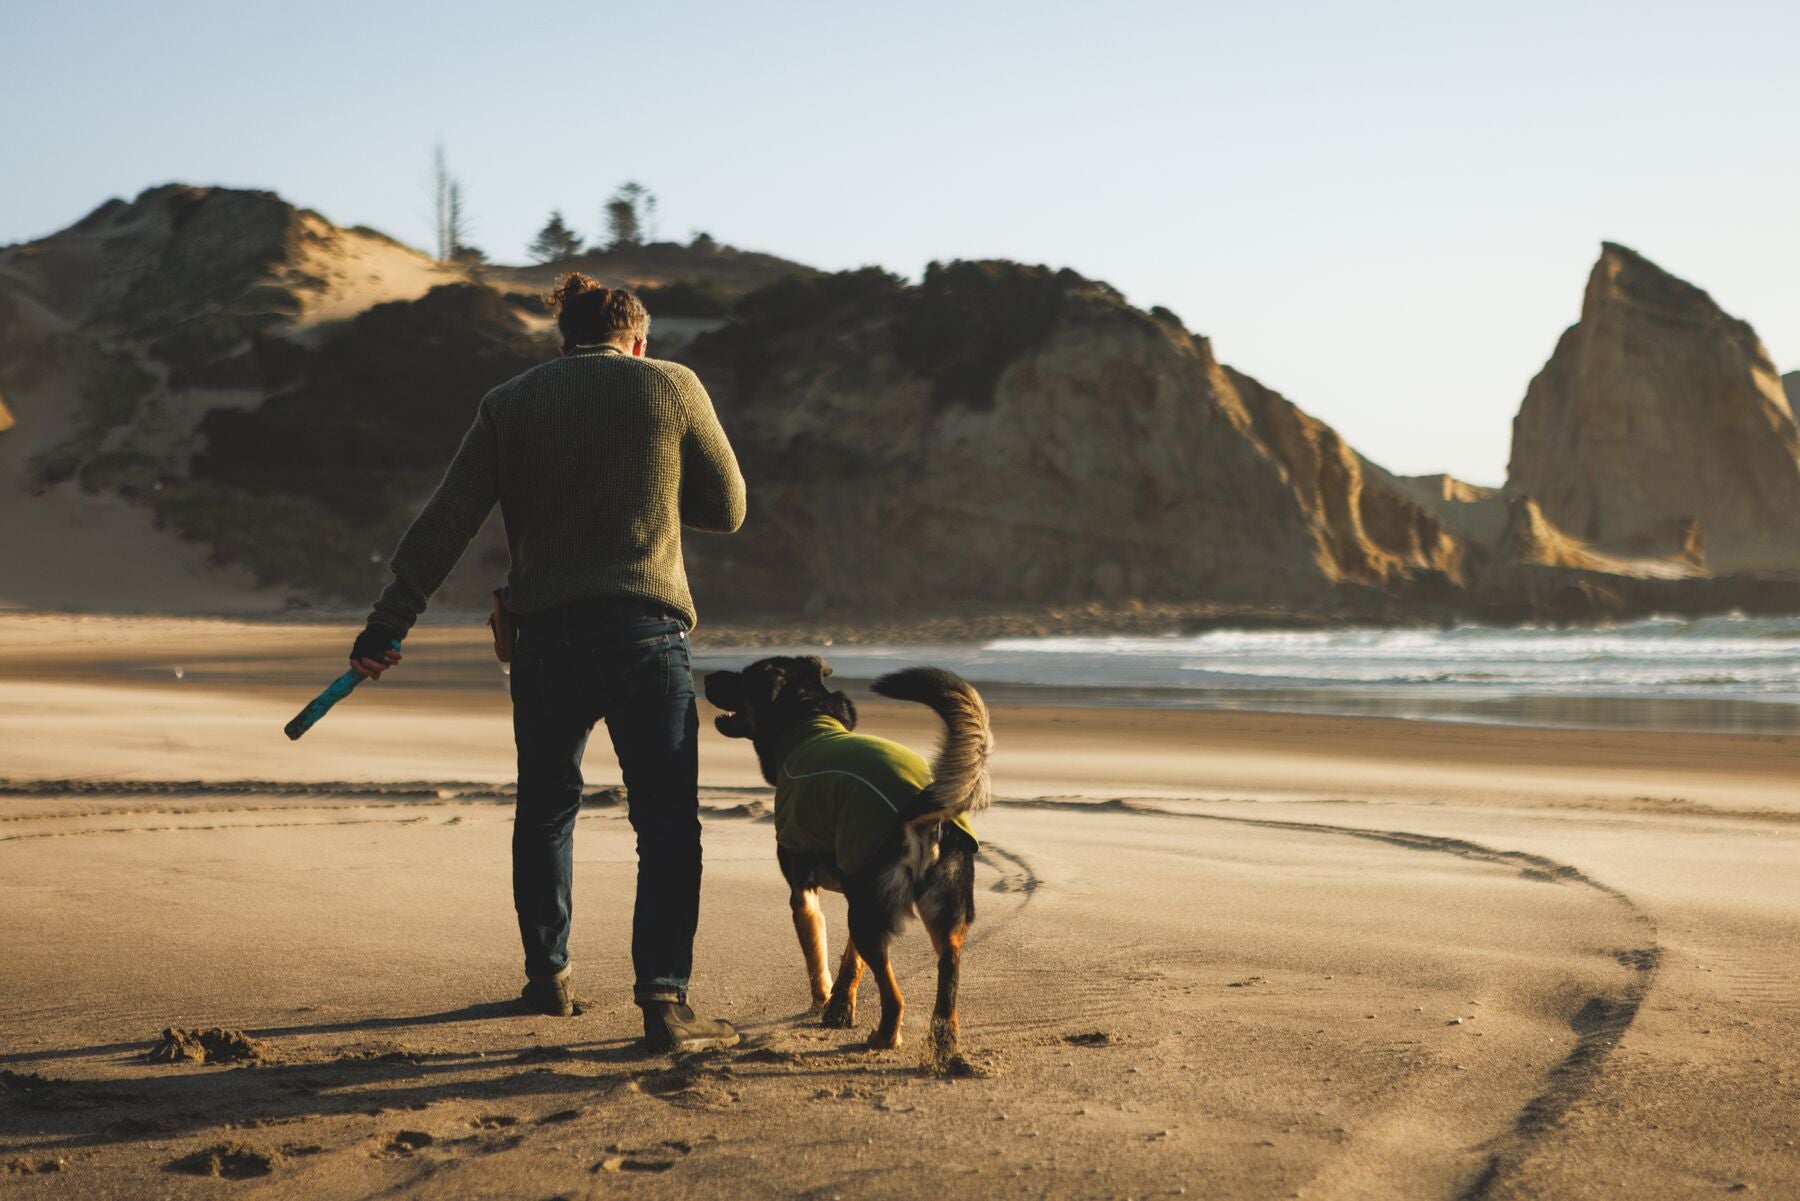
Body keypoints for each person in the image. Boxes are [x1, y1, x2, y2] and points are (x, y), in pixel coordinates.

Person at [347, 273, 747, 1052]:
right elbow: (728, 508)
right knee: (665, 824)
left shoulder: (514, 400)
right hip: (646, 634)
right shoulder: (672, 385)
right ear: (639, 340)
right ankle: (664, 998)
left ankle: (547, 978)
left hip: (547, 641)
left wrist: (386, 623)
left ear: (562, 341)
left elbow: (447, 519)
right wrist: (660, 492)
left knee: (548, 810)